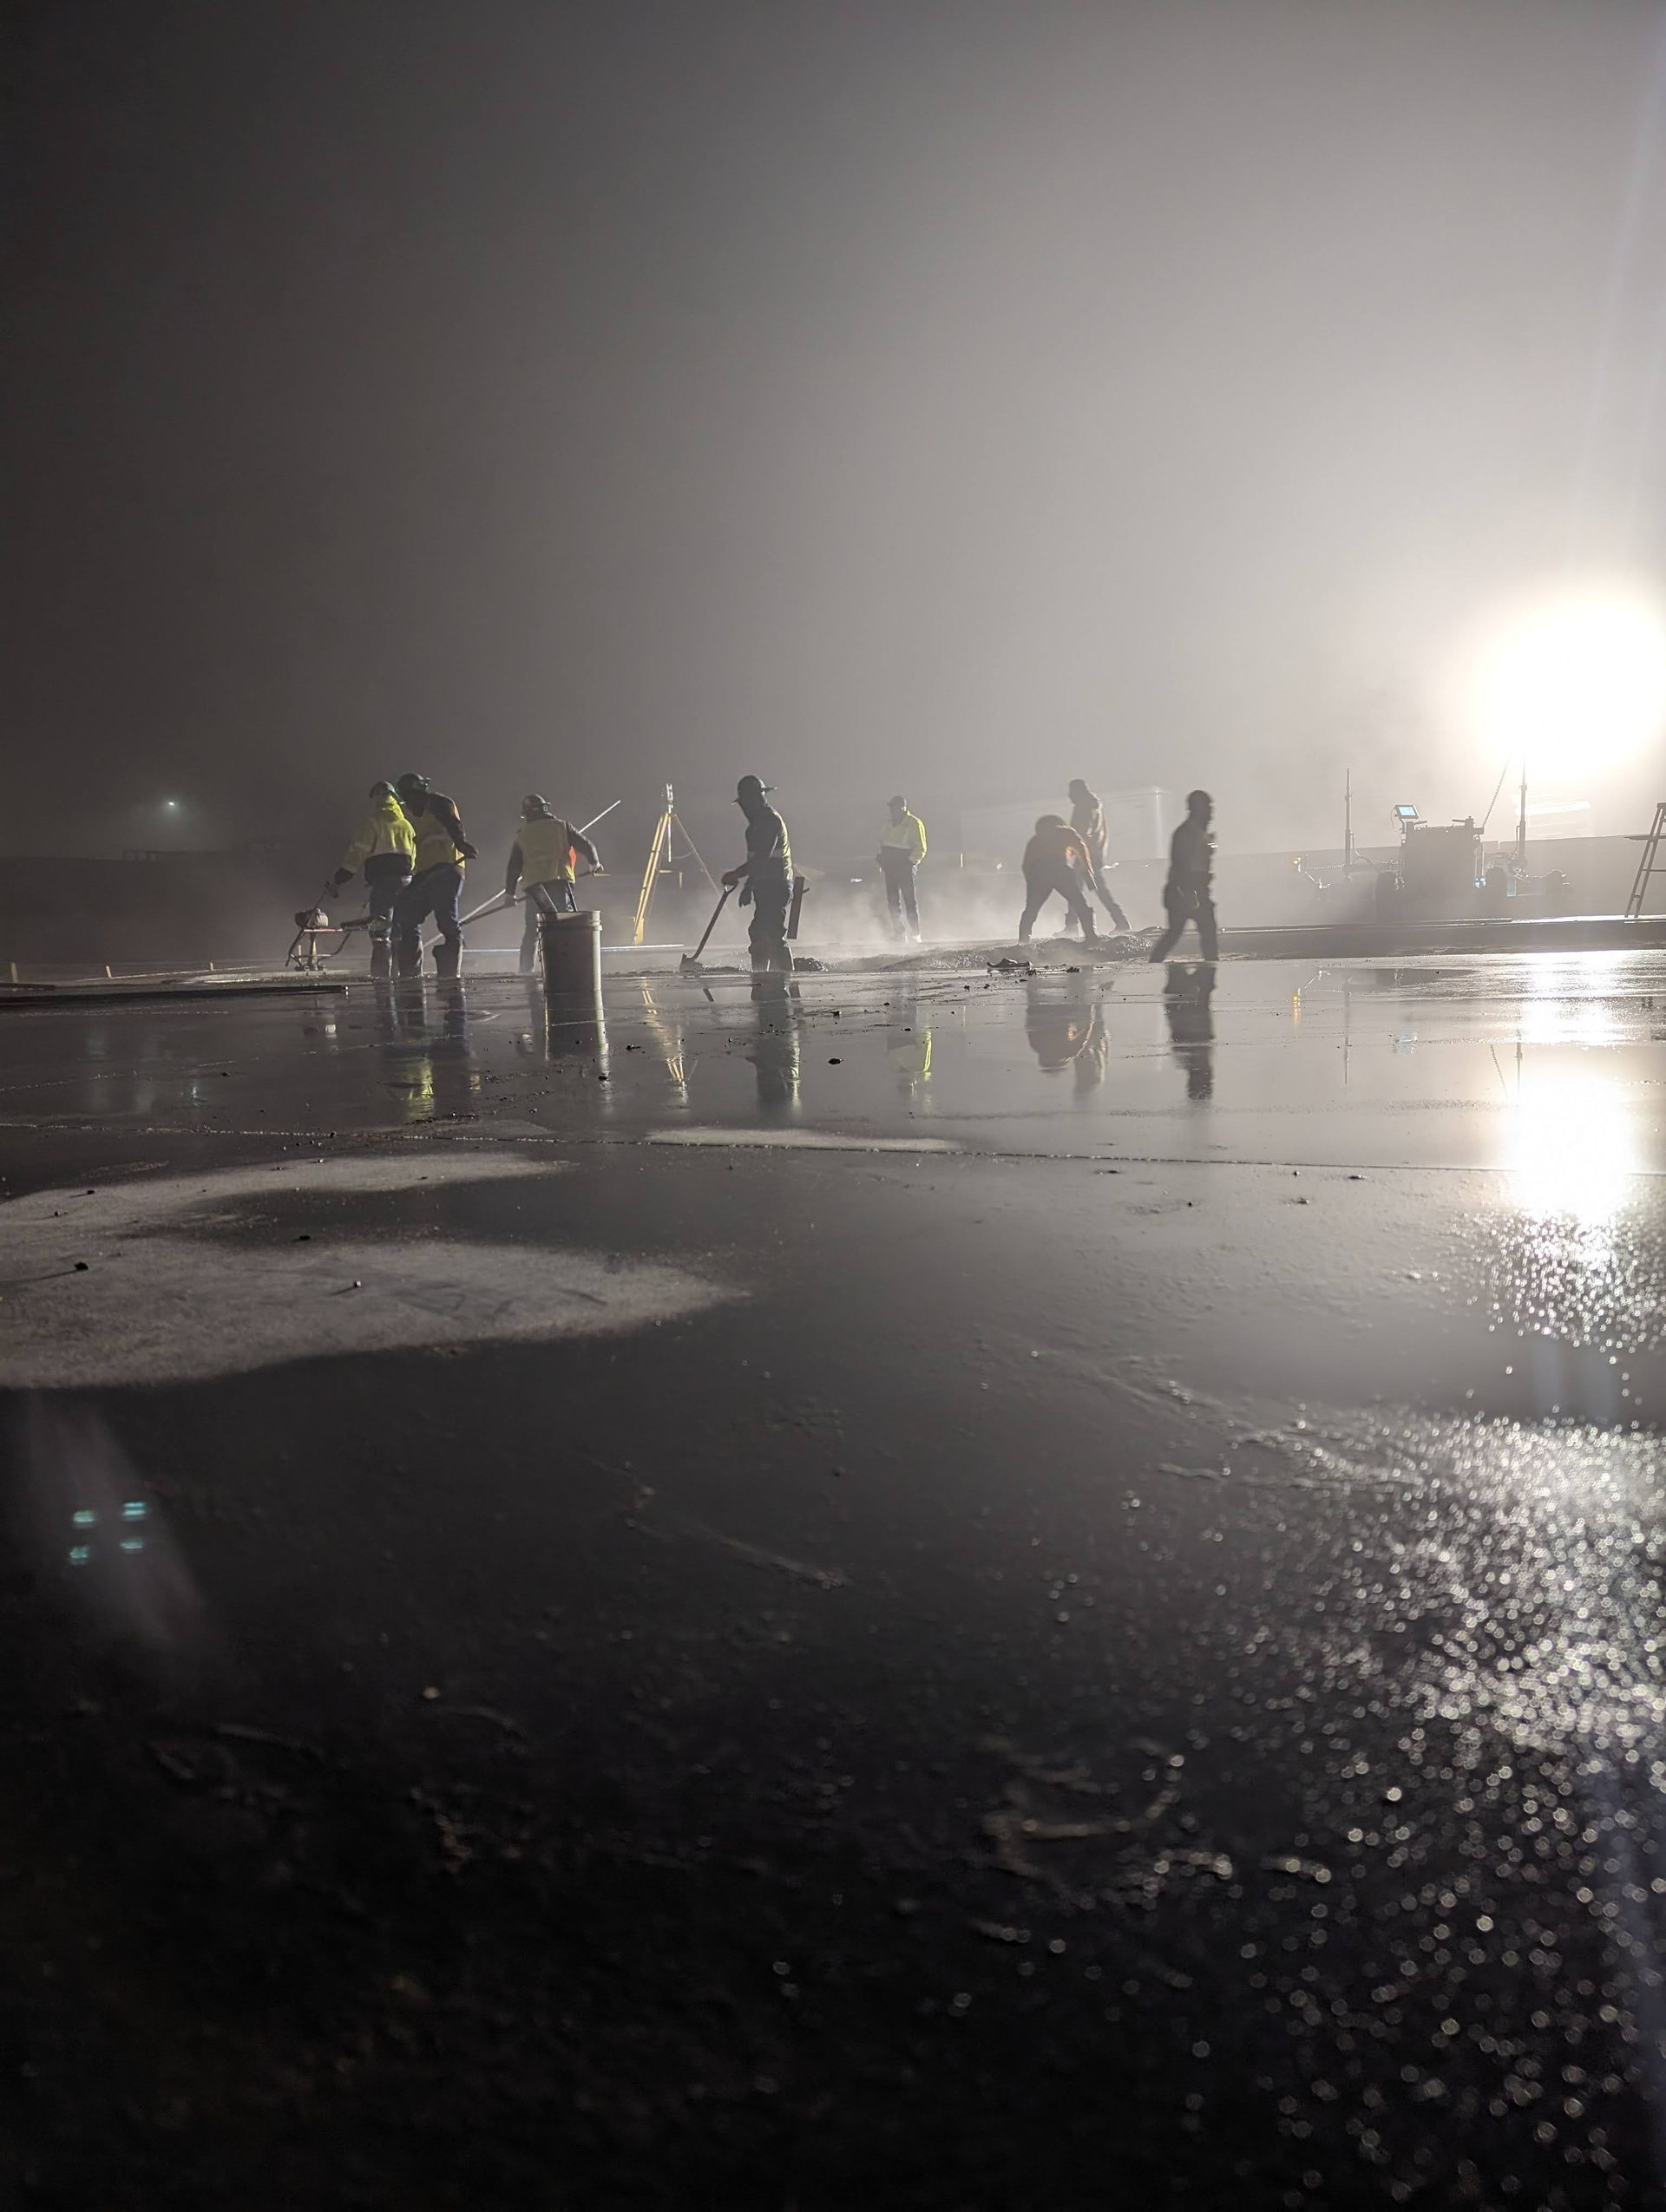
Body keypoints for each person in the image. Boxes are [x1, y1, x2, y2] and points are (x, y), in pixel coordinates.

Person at [390, 774, 478, 978]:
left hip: (447, 868)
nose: (409, 804)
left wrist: (461, 843)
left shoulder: (438, 803)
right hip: (425, 871)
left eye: (410, 798)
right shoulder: (413, 814)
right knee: (406, 913)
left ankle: (450, 972)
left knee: (446, 919)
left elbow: (452, 822)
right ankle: (410, 972)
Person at [505, 795, 603, 974]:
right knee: (566, 926)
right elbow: (588, 846)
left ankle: (525, 972)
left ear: (526, 814)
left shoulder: (523, 835)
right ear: (546, 809)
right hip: (559, 883)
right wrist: (594, 864)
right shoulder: (561, 827)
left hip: (535, 888)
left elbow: (513, 866)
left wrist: (509, 894)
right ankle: (571, 968)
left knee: (533, 931)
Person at [331, 781, 416, 977]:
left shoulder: (372, 823)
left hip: (384, 883)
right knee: (400, 932)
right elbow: (413, 857)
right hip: (407, 882)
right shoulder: (406, 826)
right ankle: (407, 978)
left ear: (376, 799)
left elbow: (355, 855)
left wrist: (339, 880)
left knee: (381, 932)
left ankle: (381, 980)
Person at [722, 775, 794, 974]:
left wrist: (739, 876)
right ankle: (766, 978)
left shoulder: (770, 821)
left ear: (758, 799)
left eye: (747, 802)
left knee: (768, 933)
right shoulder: (753, 828)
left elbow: (764, 856)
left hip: (777, 885)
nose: (744, 808)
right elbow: (759, 863)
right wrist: (750, 885)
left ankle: (778, 980)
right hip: (766, 886)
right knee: (763, 933)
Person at [1147, 789, 1218, 962]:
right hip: (1185, 890)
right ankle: (1208, 973)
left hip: (1192, 890)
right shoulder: (1187, 833)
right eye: (1207, 807)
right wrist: (1190, 894)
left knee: (1183, 933)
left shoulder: (1198, 833)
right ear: (1197, 809)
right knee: (1182, 933)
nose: (1211, 812)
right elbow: (1181, 866)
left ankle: (1209, 970)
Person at [1018, 815, 1099, 944]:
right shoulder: (1065, 832)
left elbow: (1026, 865)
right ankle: (1091, 937)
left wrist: (1031, 883)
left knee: (1031, 909)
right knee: (1080, 904)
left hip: (1038, 872)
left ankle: (1023, 941)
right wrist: (1088, 873)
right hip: (1059, 869)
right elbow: (1081, 848)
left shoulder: (1035, 840)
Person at [1067, 778, 1131, 932]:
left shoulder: (1084, 807)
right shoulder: (1093, 805)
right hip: (1093, 853)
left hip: (1086, 855)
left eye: (1071, 791)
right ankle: (1072, 925)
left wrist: (1072, 849)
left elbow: (1082, 831)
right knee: (1085, 889)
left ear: (1077, 791)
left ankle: (1121, 921)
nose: (1069, 795)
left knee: (1083, 889)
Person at [876, 795, 927, 940]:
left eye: (894, 807)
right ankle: (899, 933)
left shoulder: (914, 823)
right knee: (893, 902)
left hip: (905, 867)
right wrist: (881, 860)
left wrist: (910, 863)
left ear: (903, 808)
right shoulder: (888, 823)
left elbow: (921, 848)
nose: (892, 810)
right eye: (891, 807)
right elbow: (883, 843)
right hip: (890, 868)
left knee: (909, 900)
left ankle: (915, 934)